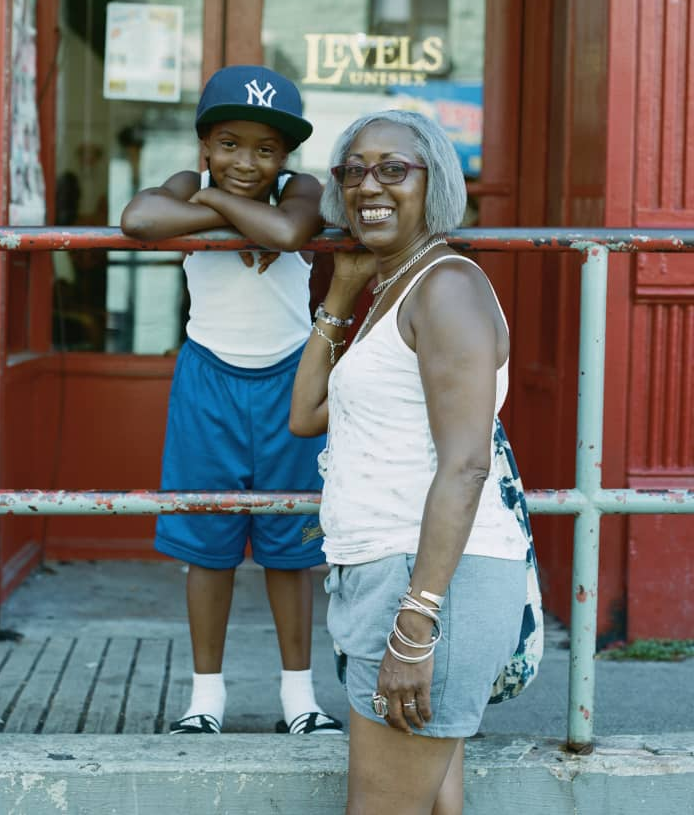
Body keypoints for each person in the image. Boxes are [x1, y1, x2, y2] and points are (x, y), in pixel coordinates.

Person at [289, 110, 533, 813]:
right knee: (434, 805)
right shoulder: (395, 290)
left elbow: (465, 465)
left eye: (394, 168)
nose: (371, 183)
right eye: (354, 169)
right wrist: (339, 293)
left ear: (436, 183)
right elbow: (306, 414)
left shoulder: (446, 287)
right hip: (396, 573)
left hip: (428, 584)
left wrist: (415, 622)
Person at [120, 65, 343, 736]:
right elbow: (137, 218)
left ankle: (299, 697)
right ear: (203, 146)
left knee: (291, 544)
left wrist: (218, 211)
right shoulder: (191, 185)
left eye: (266, 148)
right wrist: (216, 204)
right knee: (207, 543)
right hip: (208, 380)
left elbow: (285, 233)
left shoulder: (301, 189)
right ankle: (205, 697)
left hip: (290, 381)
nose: (246, 162)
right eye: (229, 143)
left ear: (287, 155)